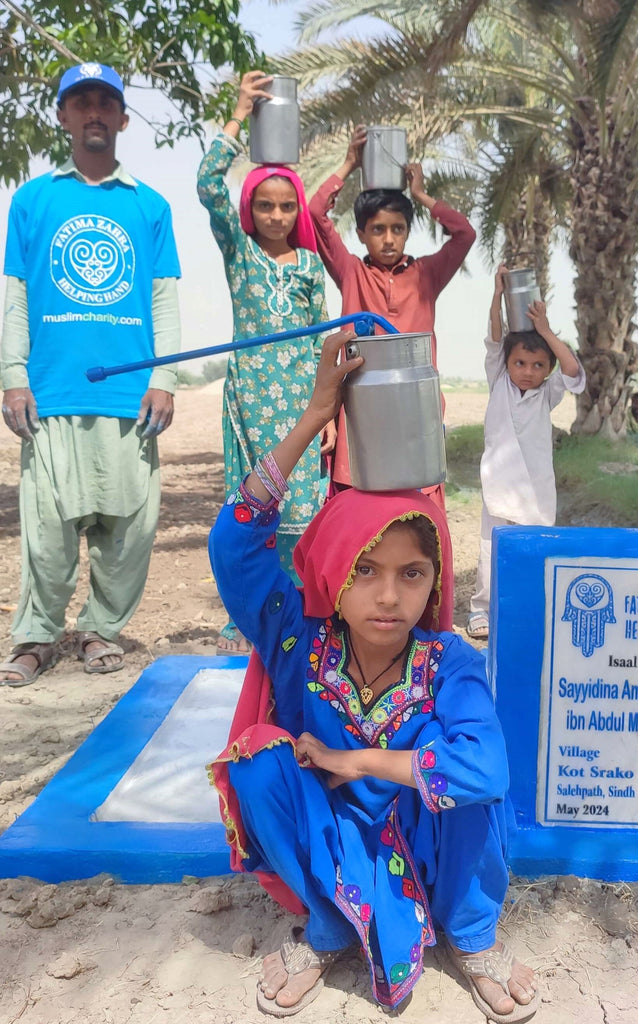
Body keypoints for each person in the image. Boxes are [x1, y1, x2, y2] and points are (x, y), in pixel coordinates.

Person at [208, 330, 538, 1021]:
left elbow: (486, 772)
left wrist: (351, 758)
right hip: (335, 839)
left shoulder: (449, 660)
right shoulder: (297, 640)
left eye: (411, 574)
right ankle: (330, 927)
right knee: (258, 761)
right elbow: (234, 541)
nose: (388, 597)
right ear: (331, 567)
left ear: (434, 580)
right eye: (365, 569)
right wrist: (315, 415)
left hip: (429, 841)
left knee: (464, 784)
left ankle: (470, 932)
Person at [0, 62, 181, 684]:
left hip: (131, 392)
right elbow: (17, 294)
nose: (94, 112)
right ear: (63, 116)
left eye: (106, 102)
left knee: (128, 528)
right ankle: (37, 636)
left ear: (124, 118)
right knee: (48, 531)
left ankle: (102, 630)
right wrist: (11, 373)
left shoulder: (148, 206)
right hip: (50, 390)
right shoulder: (33, 199)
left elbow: (162, 298)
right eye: (81, 102)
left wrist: (165, 379)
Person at [197, 70, 331, 656]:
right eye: (264, 205)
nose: (275, 216)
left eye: (285, 207)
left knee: (303, 507)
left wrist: (327, 416)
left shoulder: (307, 264)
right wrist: (237, 115)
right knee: (256, 502)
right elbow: (206, 185)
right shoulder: (240, 252)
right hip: (251, 394)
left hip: (303, 396)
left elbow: (321, 343)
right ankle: (249, 612)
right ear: (251, 208)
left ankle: (296, 608)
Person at [308, 126, 476, 500]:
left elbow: (464, 234)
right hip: (358, 410)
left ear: (407, 231)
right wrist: (349, 164)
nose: (388, 239)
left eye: (397, 229)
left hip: (417, 408)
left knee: (417, 510)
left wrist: (421, 194)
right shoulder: (352, 272)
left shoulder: (426, 274)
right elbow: (316, 212)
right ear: (363, 234)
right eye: (378, 230)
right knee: (358, 506)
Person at [467, 266, 586, 641]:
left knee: (534, 550)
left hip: (534, 490)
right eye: (520, 363)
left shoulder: (546, 395)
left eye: (537, 366)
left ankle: (527, 609)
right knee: (491, 550)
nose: (527, 372)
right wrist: (498, 294)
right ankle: (481, 611)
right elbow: (495, 336)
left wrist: (546, 330)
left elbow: (572, 371)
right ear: (506, 364)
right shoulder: (499, 382)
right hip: (498, 485)